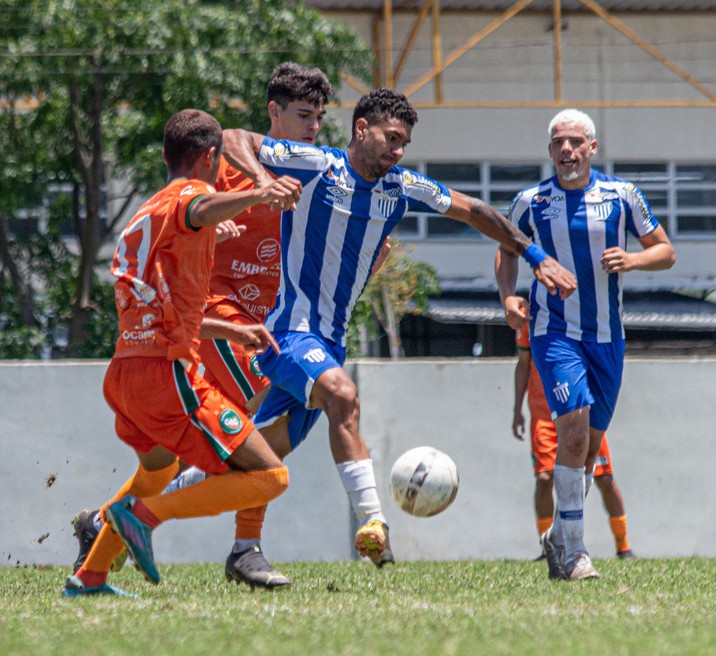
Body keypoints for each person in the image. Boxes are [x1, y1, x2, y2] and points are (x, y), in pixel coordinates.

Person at [220, 88, 577, 571]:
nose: (398, 150)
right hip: (289, 331)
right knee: (342, 397)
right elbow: (230, 136)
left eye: (404, 142)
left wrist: (535, 257)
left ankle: (141, 518)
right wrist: (265, 182)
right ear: (361, 129)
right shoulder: (315, 163)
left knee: (259, 451)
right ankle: (374, 523)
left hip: (330, 341)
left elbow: (476, 212)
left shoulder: (402, 185)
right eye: (391, 138)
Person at [69, 63, 334, 591]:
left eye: (318, 118)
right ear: (210, 159)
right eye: (304, 115)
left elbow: (170, 307)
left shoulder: (147, 210)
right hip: (170, 371)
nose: (313, 127)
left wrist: (231, 332)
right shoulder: (195, 194)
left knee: (157, 471)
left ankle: (92, 568)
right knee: (268, 471)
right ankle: (187, 531)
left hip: (131, 368)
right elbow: (199, 201)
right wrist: (258, 193)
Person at [496, 108, 675, 581]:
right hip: (553, 333)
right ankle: (575, 552)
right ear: (549, 149)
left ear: (592, 148)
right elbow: (505, 249)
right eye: (559, 142)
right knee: (572, 433)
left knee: (590, 449)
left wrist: (634, 260)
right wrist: (508, 299)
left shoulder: (622, 195)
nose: (567, 150)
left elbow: (666, 250)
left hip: (607, 339)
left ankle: (559, 536)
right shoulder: (530, 201)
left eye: (576, 142)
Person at [511, 322, 636, 560]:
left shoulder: (584, 317)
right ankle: (548, 547)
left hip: (580, 415)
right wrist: (517, 410)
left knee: (604, 477)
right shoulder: (535, 320)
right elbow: (523, 365)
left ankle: (623, 546)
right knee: (545, 478)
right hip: (544, 418)